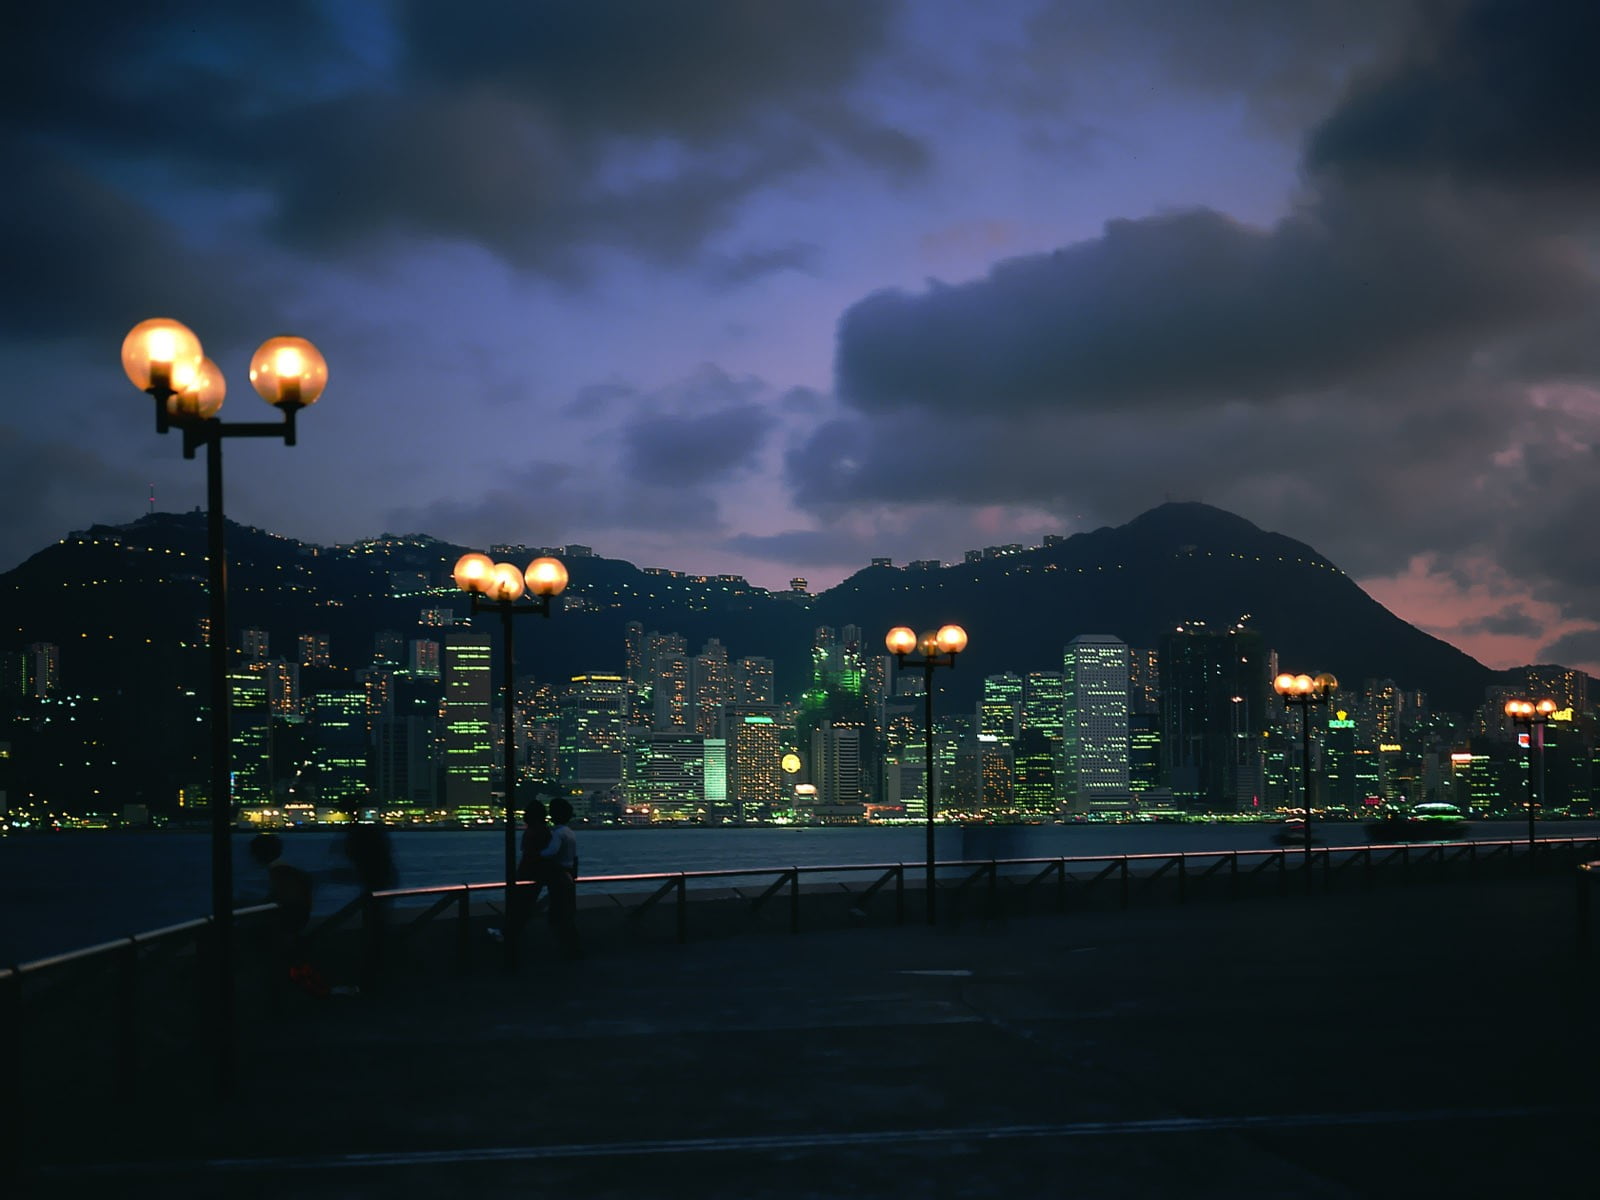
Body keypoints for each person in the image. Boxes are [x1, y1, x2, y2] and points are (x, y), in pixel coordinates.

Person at [490, 800, 554, 944]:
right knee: (525, 908)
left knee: (519, 907)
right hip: (537, 874)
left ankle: (508, 935)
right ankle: (511, 934)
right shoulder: (545, 831)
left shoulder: (532, 832)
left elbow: (529, 854)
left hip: (527, 874)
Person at [540, 797, 582, 960]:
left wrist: (537, 854)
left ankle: (564, 949)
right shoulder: (569, 832)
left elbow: (551, 852)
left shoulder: (557, 833)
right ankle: (573, 949)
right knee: (567, 913)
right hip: (569, 874)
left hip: (558, 875)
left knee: (557, 913)